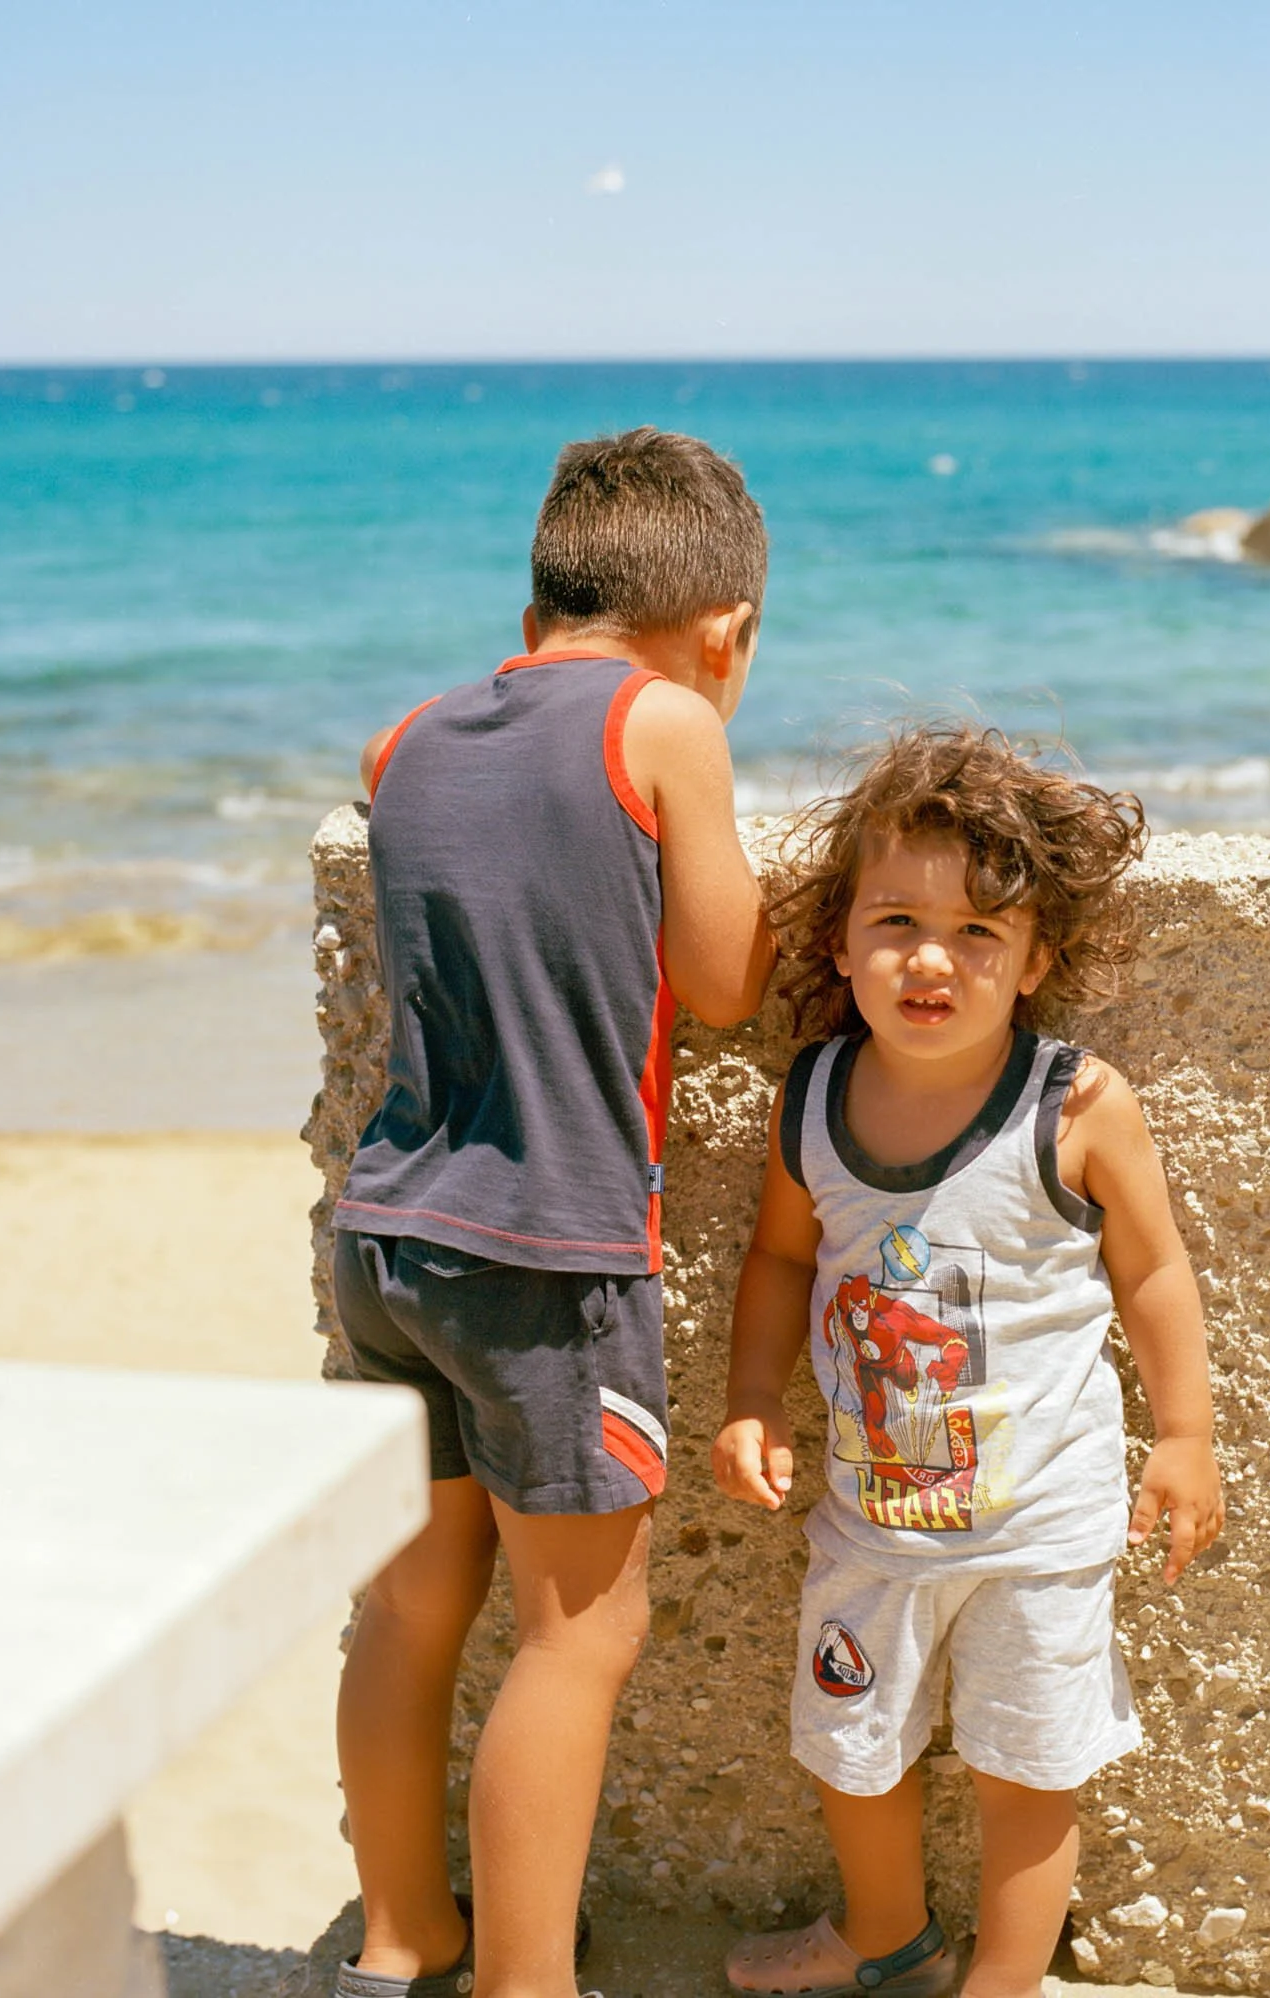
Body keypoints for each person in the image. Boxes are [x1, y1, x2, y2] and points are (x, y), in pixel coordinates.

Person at [330, 428, 775, 1998]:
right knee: (576, 1636)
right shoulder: (669, 723)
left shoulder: (402, 742)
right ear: (725, 636)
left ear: (535, 621)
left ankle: (399, 1941)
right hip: (550, 1253)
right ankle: (529, 1984)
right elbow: (723, 981)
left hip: (385, 1233)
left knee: (409, 1597)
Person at [712, 725, 1224, 1998]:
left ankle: (1005, 1978)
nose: (930, 959)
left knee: (1026, 1767)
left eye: (978, 934)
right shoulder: (814, 1098)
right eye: (893, 921)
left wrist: (1186, 1435)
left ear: (1035, 960)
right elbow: (780, 1264)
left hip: (1038, 1527)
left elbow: (1152, 1273)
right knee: (851, 1747)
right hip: (870, 1524)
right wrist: (748, 1402)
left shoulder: (1074, 1105)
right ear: (839, 943)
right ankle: (882, 1939)